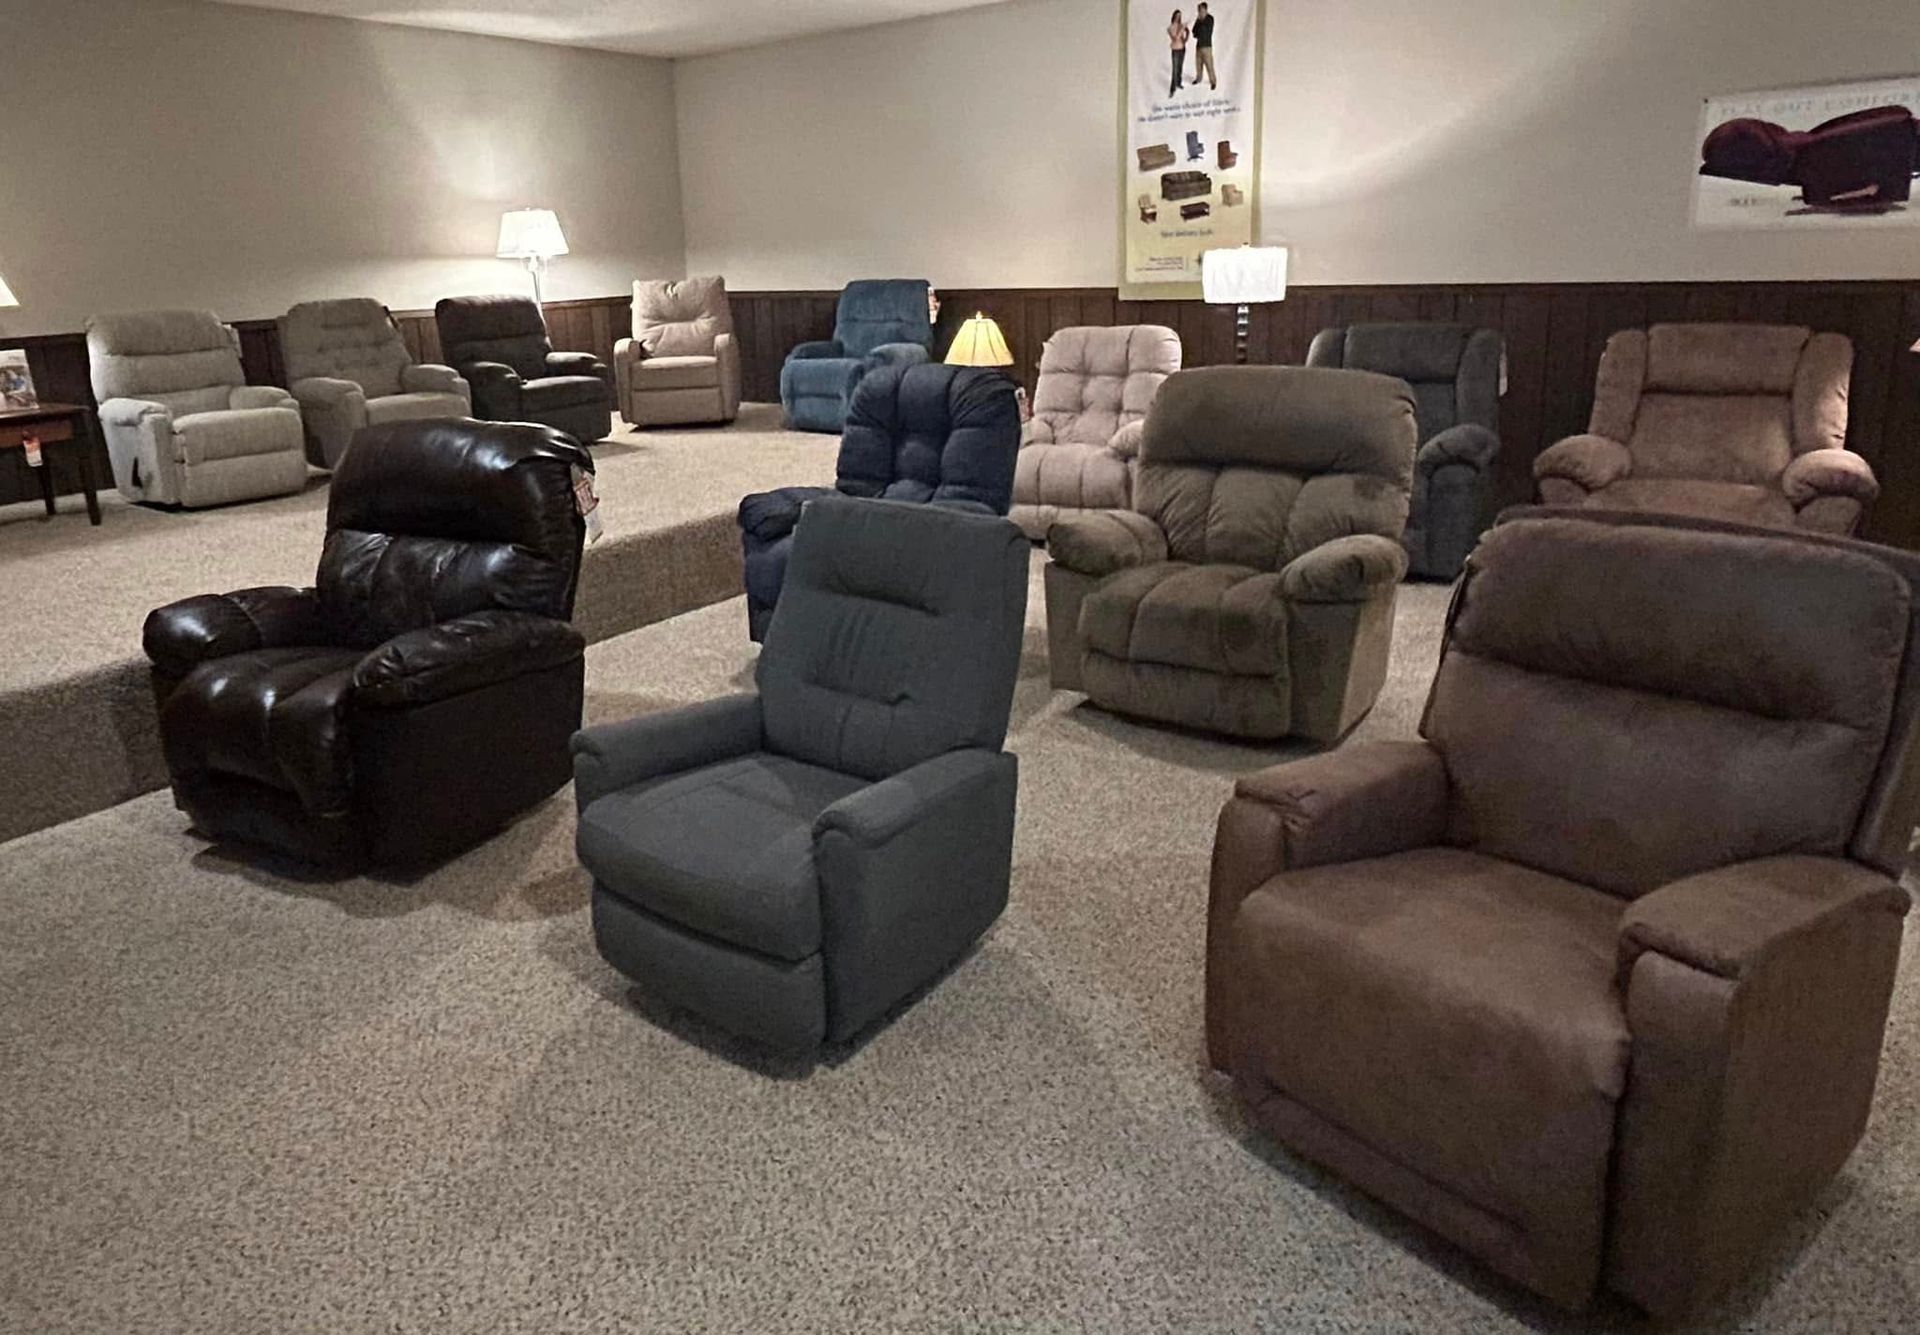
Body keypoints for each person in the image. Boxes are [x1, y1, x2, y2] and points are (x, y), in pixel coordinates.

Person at [1193, 3, 1217, 91]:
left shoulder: (1209, 19)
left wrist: (1200, 23)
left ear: (1206, 10)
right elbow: (1194, 32)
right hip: (1199, 46)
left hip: (1207, 46)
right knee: (1198, 64)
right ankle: (1198, 78)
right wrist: (1198, 23)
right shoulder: (1198, 20)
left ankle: (1213, 81)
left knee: (1209, 65)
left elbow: (1205, 30)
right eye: (1199, 10)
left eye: (1202, 10)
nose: (1200, 12)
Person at [1168, 10, 1189, 99]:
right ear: (1174, 16)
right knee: (1175, 69)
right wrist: (1182, 28)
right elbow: (1175, 38)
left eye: (1179, 16)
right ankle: (1172, 89)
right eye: (1177, 16)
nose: (1178, 18)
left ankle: (1178, 83)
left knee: (1180, 67)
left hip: (1182, 49)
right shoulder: (1170, 28)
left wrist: (1185, 39)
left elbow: (1187, 32)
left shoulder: (1181, 25)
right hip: (1175, 50)